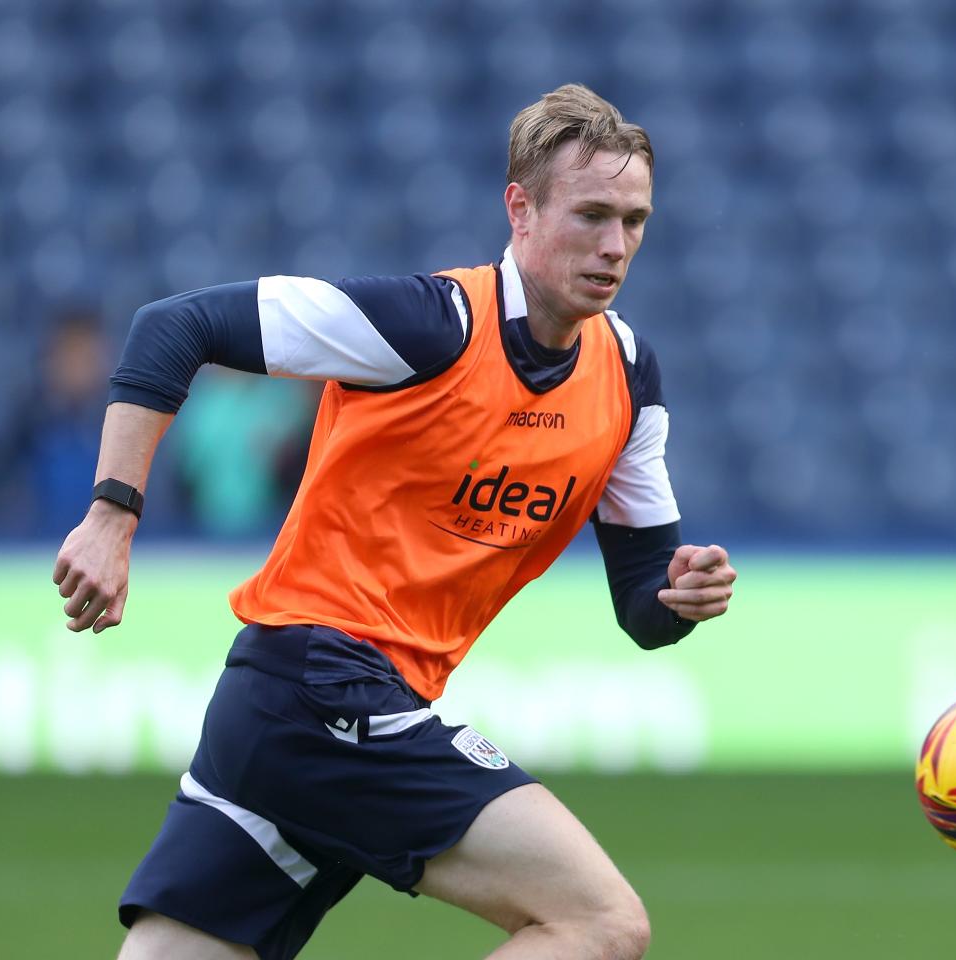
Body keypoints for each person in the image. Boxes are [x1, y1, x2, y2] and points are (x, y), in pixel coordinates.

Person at [52, 83, 737, 960]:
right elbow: (170, 327)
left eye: (635, 221)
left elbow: (641, 599)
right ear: (519, 210)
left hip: (282, 715)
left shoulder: (629, 374)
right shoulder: (430, 325)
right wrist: (113, 516)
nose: (615, 246)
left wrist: (679, 594)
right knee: (599, 923)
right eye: (592, 214)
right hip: (324, 683)